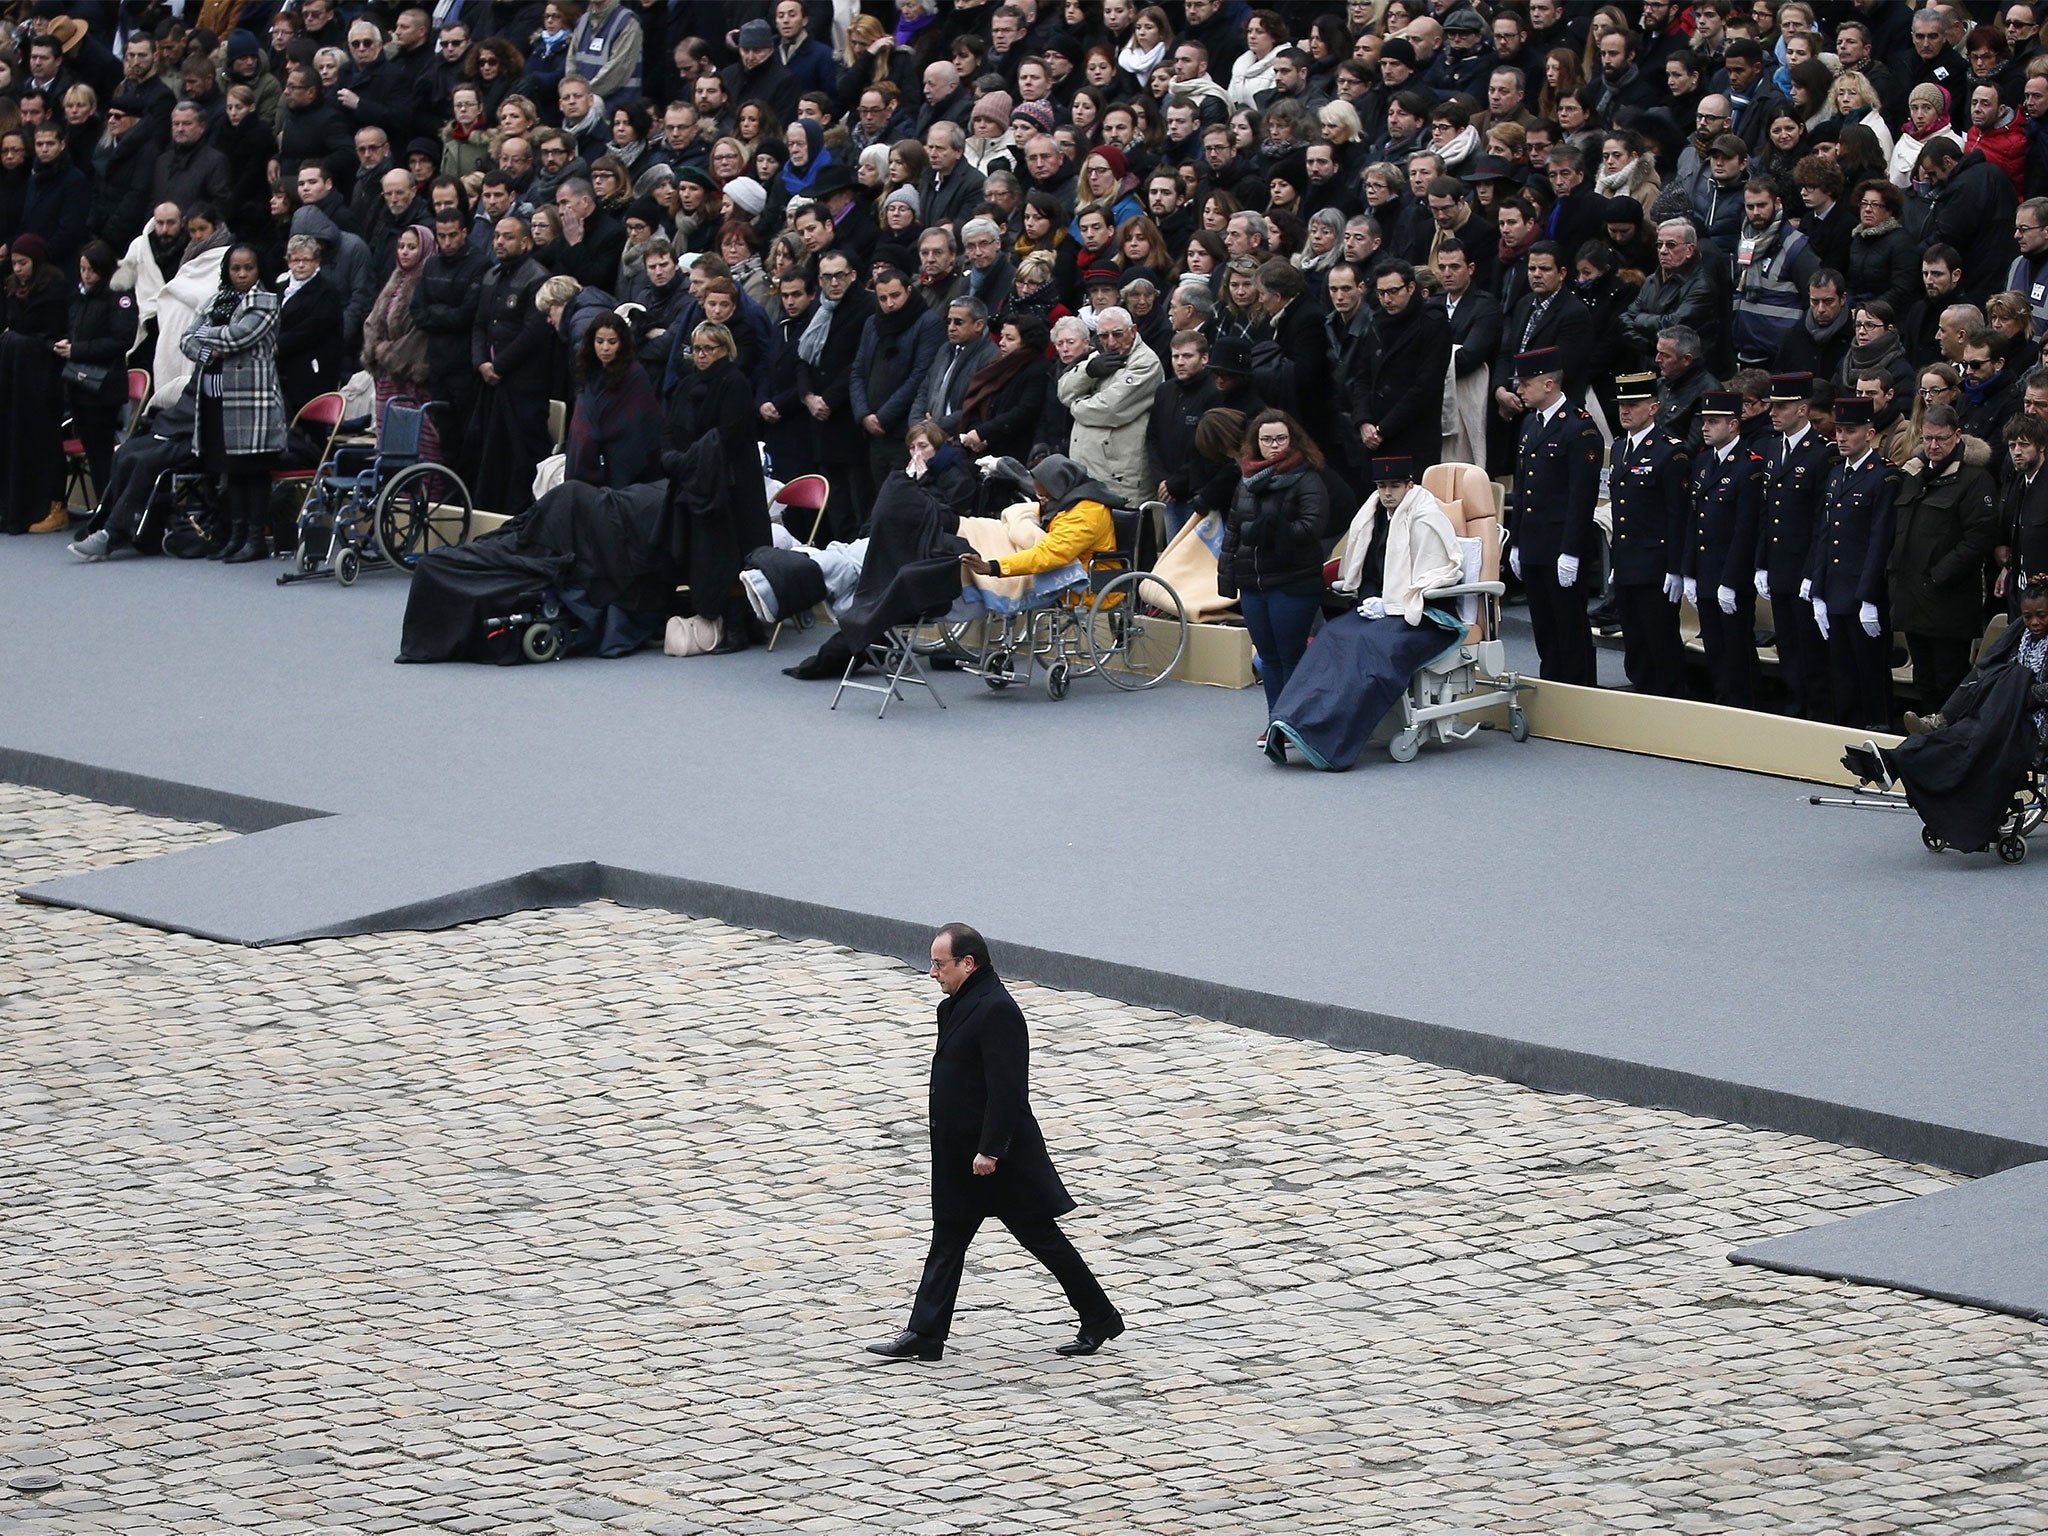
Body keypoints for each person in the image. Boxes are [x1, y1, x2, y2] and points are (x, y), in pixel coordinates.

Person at [864, 922, 1122, 1363]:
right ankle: (925, 1333)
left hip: (996, 1162)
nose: (932, 973)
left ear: (968, 963)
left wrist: (990, 1150)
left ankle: (1099, 1315)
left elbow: (1008, 1091)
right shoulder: (964, 1002)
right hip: (963, 1156)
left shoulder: (996, 1009)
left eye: (939, 964)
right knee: (948, 1238)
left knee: (1041, 1239)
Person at [1264, 454, 1467, 768]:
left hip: (1426, 616)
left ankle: (1326, 736)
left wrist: (1394, 604)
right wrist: (1374, 599)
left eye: (1394, 486)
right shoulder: (1374, 515)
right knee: (1331, 633)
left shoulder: (1426, 518)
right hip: (1384, 609)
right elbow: (1371, 574)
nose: (1387, 492)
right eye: (1382, 485)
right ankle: (1292, 721)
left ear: (1409, 485)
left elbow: (1438, 576)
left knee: (1368, 647)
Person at [1217, 409, 1330, 739]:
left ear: (1292, 440)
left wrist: (1277, 529)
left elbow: (1313, 527)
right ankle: (1277, 722)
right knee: (1268, 658)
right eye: (1267, 439)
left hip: (1293, 582)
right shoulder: (1247, 479)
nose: (1274, 445)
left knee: (1290, 655)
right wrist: (1227, 578)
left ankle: (1292, 722)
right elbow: (1234, 529)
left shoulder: (1308, 477)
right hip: (1253, 582)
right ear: (1256, 443)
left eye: (1281, 438)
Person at [179, 243, 286, 563]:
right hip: (215, 399)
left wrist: (207, 335)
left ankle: (255, 538)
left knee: (252, 472)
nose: (241, 274)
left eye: (248, 268)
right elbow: (186, 339)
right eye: (235, 268)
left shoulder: (265, 302)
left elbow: (237, 338)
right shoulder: (215, 299)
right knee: (230, 471)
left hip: (251, 401)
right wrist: (210, 348)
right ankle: (235, 534)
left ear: (258, 269)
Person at [1889, 405, 2000, 711]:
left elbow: (1979, 537)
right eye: (1927, 439)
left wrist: (1939, 574)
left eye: (1942, 439)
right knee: (1924, 680)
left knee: (1949, 681)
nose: (1934, 446)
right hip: (1912, 597)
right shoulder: (1913, 473)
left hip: (1948, 601)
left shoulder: (1975, 479)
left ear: (1958, 436)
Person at [1804, 396, 1902, 730]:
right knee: (1841, 674)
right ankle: (1845, 731)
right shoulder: (1836, 474)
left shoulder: (1883, 477)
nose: (1842, 437)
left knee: (1870, 674)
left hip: (1862, 592)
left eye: (1851, 431)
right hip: (1835, 590)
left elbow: (1879, 542)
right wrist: (1818, 590)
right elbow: (1824, 534)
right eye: (1839, 430)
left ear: (1870, 433)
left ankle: (1877, 733)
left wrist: (1869, 599)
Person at [1506, 347, 1600, 685]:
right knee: (1543, 624)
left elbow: (1581, 497)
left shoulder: (1578, 429)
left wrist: (1572, 551)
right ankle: (1553, 684)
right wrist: (1516, 542)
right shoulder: (1530, 424)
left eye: (1526, 383)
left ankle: (1579, 690)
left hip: (1561, 545)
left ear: (1548, 385)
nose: (1519, 390)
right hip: (1534, 543)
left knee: (1569, 625)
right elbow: (1522, 488)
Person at [1755, 372, 1837, 721]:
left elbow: (1822, 520)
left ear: (1802, 409)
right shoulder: (1771, 448)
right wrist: (1761, 563)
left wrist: (1811, 573)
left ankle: (1815, 712)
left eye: (1783, 406)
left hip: (1803, 565)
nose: (1774, 412)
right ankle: (1793, 706)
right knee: (1787, 643)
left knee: (1810, 649)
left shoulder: (1821, 455)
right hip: (1778, 565)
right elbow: (1766, 509)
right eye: (1773, 405)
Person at [1605, 371, 1690, 698]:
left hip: (1655, 564)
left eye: (1634, 404)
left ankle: (1670, 698)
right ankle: (1641, 693)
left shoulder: (1670, 452)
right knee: (1635, 638)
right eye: (1622, 404)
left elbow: (1677, 516)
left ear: (1654, 408)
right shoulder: (1619, 448)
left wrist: (1674, 568)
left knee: (1660, 640)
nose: (1625, 410)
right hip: (1628, 561)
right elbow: (1620, 511)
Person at [1683, 390, 1766, 708]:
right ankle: (1722, 701)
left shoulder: (1748, 466)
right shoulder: (1704, 461)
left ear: (1733, 425)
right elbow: (1695, 519)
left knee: (1737, 648)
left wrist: (1730, 582)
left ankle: (1746, 704)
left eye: (1713, 421)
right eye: (1704, 421)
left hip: (1731, 576)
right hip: (1706, 572)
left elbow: (1745, 530)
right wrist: (1689, 571)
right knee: (1715, 647)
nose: (1705, 427)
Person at [469, 215, 553, 514]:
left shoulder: (536, 277)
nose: (500, 242)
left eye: (508, 237)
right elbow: (479, 324)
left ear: (525, 241)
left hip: (523, 385)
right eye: (497, 237)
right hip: (491, 383)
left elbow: (533, 333)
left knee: (521, 457)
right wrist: (481, 362)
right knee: (490, 457)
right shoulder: (491, 275)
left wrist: (498, 366)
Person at [0, 233, 72, 534]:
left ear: (37, 261)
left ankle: (51, 505)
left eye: (23, 263)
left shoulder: (55, 289)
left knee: (42, 439)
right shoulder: (12, 289)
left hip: (43, 378)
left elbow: (54, 335)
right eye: (14, 263)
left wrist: (20, 341)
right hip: (15, 376)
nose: (17, 269)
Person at [59, 241, 139, 505]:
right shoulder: (81, 295)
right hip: (79, 383)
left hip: (104, 385)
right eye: (82, 269)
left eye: (91, 270)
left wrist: (77, 350)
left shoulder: (118, 295)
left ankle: (109, 511)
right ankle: (102, 510)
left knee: (103, 453)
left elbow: (121, 340)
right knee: (92, 452)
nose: (85, 275)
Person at [360, 224, 436, 457]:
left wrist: (386, 353)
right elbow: (373, 320)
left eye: (412, 247)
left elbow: (419, 334)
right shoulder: (394, 279)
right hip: (386, 378)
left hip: (410, 377)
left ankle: (424, 491)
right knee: (388, 443)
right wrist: (374, 349)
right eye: (401, 246)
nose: (404, 252)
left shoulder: (427, 283)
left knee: (418, 442)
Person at [565, 311, 663, 487]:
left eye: (612, 342)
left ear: (622, 343)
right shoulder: (588, 371)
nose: (605, 348)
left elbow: (639, 425)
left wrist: (598, 435)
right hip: (584, 459)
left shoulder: (634, 375)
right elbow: (580, 420)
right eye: (599, 341)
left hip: (619, 464)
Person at [274, 233, 348, 419]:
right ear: (288, 261)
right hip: (282, 370)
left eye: (306, 260)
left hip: (310, 372)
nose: (300, 265)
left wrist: (277, 344)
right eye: (296, 259)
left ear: (316, 262)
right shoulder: (281, 288)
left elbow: (311, 328)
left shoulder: (326, 291)